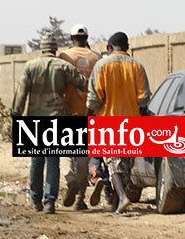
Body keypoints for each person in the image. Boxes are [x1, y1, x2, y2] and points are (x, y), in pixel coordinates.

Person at [11, 31, 88, 214]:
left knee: (36, 161)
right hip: (56, 118)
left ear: (41, 48)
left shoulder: (30, 66)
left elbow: (20, 95)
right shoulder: (64, 66)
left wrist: (15, 117)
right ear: (55, 49)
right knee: (53, 161)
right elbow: (84, 85)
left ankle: (35, 199)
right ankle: (50, 202)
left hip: (34, 119)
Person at [86, 31, 151, 214]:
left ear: (109, 48)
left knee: (113, 161)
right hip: (132, 122)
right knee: (126, 165)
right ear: (127, 48)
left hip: (109, 121)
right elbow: (144, 98)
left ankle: (121, 197)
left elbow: (94, 98)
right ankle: (117, 204)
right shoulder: (137, 66)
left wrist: (88, 116)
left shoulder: (101, 65)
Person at [58, 24, 101, 211]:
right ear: (87, 38)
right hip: (90, 113)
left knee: (64, 154)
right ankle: (81, 199)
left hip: (68, 111)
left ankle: (71, 179)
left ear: (71, 38)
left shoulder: (65, 57)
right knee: (83, 159)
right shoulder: (97, 58)